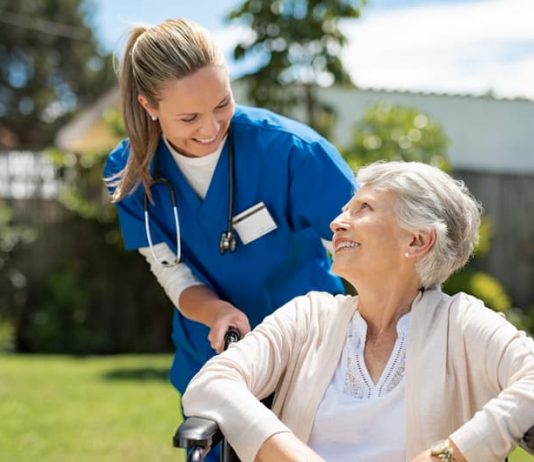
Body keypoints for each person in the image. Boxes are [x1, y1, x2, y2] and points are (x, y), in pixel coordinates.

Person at [182, 161, 534, 462]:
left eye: (362, 208)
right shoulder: (308, 317)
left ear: (417, 241)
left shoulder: (462, 324)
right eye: (345, 209)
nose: (336, 222)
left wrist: (447, 454)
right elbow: (211, 384)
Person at [103, 18, 354, 404]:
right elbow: (172, 272)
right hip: (215, 362)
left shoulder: (293, 153)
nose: (211, 127)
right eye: (189, 118)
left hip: (311, 358)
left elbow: (365, 250)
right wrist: (216, 313)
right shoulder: (131, 175)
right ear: (149, 106)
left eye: (223, 103)